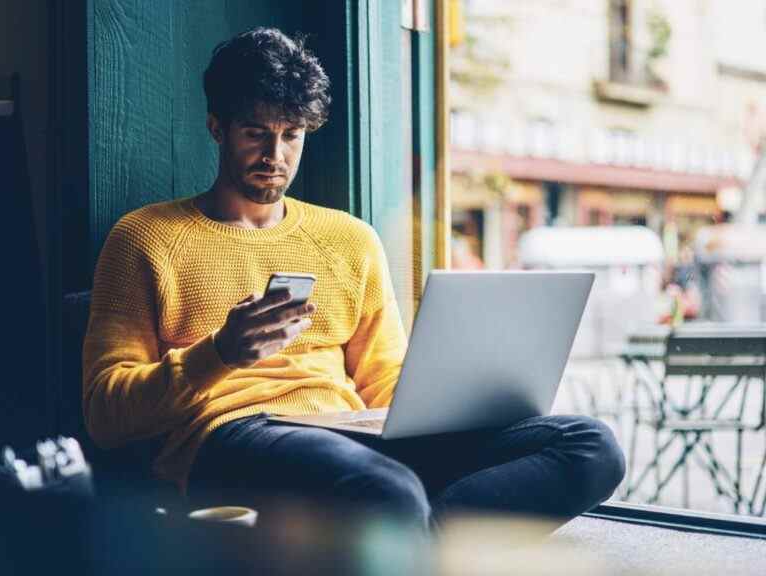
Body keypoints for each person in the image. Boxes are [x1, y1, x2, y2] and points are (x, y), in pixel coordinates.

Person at [83, 28, 624, 530]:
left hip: (350, 430)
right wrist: (221, 352)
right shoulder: (146, 238)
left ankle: (411, 540)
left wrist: (454, 410)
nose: (275, 156)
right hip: (232, 433)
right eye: (256, 133)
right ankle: (415, 532)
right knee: (386, 490)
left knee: (590, 445)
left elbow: (383, 378)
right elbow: (106, 414)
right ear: (216, 127)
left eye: (292, 135)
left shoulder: (348, 238)